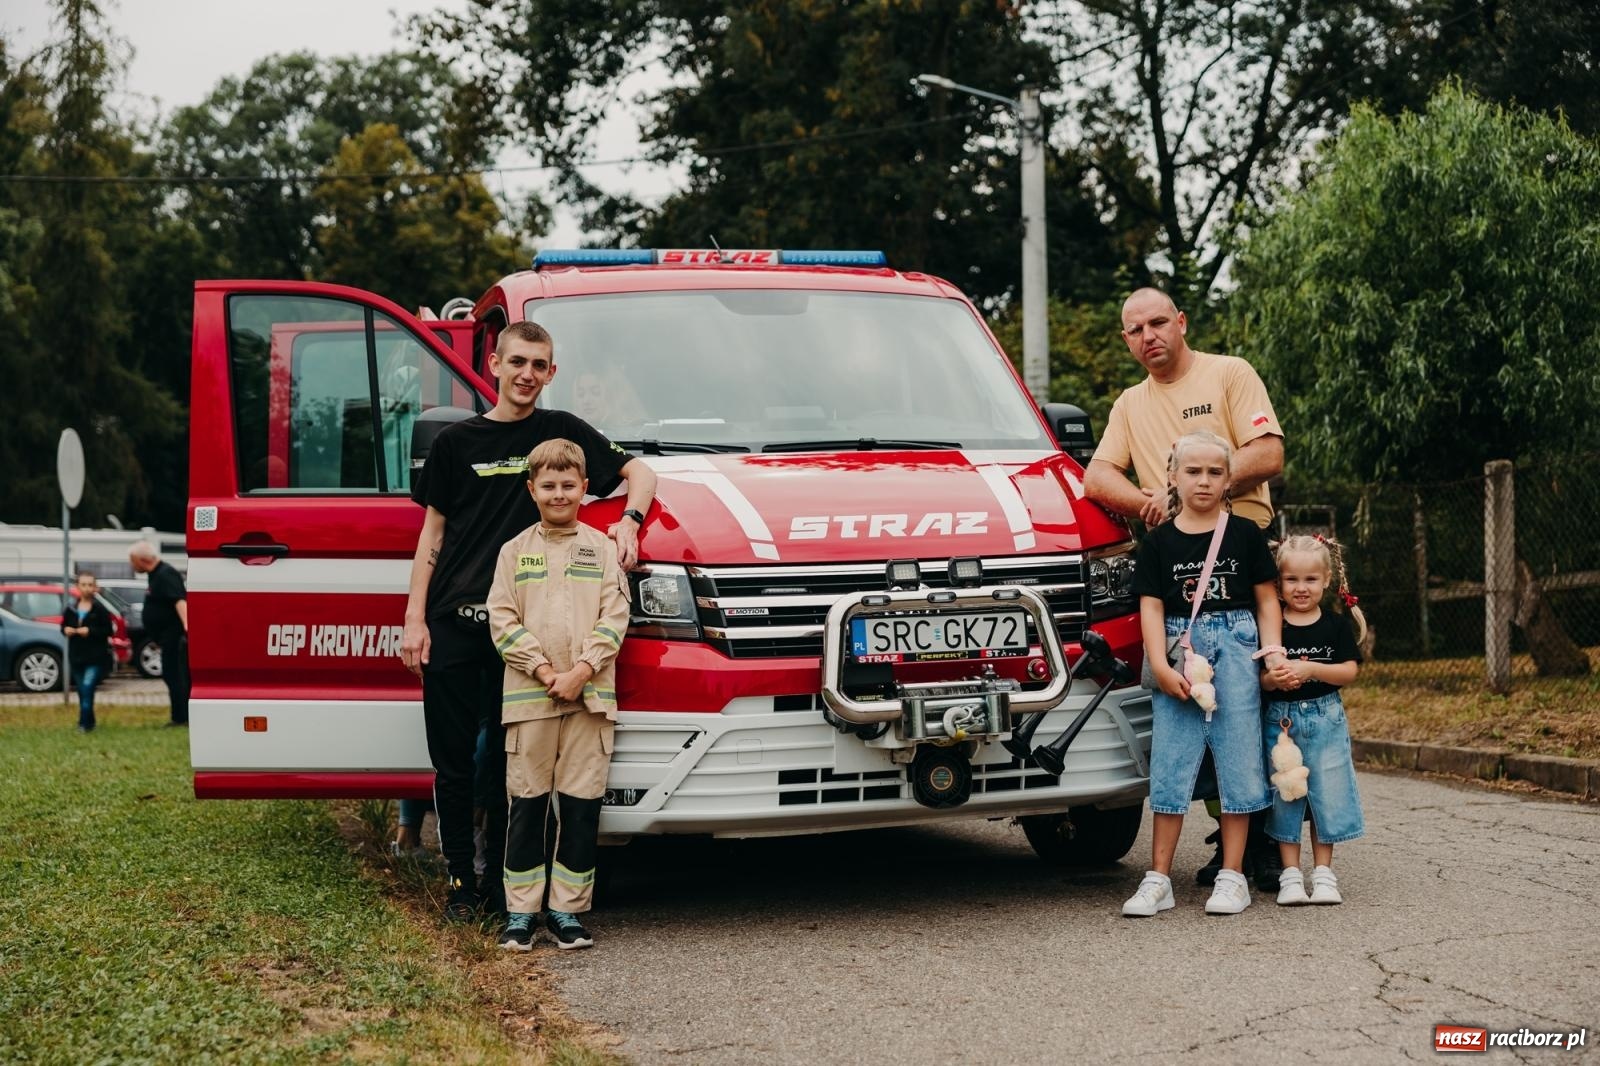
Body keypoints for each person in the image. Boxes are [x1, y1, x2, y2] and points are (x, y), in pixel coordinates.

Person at [399, 320, 656, 926]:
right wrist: (414, 619)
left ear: (551, 372)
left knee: (506, 767)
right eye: (517, 361)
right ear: (494, 364)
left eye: (539, 365)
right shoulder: (454, 443)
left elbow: (639, 473)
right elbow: (431, 535)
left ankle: (499, 886)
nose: (526, 374)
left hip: (522, 636)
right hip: (455, 621)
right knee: (453, 764)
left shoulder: (560, 433)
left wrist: (630, 521)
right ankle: (460, 884)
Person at [1085, 286, 1287, 890]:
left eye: (1158, 323)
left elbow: (1268, 452)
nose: (1148, 336)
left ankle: (1269, 842)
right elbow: (1098, 475)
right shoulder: (1130, 403)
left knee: (1255, 703)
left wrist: (1191, 488)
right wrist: (1150, 504)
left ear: (1181, 322)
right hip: (1175, 565)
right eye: (1135, 330)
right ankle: (1230, 836)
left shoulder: (1229, 373)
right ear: (1126, 340)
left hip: (1241, 550)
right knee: (1196, 704)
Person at [1121, 432, 1284, 917]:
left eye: (1215, 472)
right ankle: (1158, 879)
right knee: (1171, 762)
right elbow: (1151, 607)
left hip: (1237, 650)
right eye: (1193, 471)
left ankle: (1233, 877)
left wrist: (1271, 653)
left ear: (1229, 479)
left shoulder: (1245, 534)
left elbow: (1267, 600)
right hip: (1179, 650)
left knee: (1239, 760)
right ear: (1173, 476)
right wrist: (1158, 664)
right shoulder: (1157, 542)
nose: (1204, 481)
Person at [488, 438, 629, 951]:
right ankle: (521, 913)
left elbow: (616, 616)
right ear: (532, 489)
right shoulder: (513, 551)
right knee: (526, 806)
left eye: (569, 485)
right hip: (530, 702)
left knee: (580, 808)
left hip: (590, 701)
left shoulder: (603, 549)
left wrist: (583, 671)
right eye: (548, 485)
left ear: (584, 488)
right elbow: (502, 621)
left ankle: (567, 911)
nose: (559, 494)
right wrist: (545, 670)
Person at [1261, 535, 1367, 906]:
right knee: (1286, 794)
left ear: (1326, 580)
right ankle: (1291, 875)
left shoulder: (1335, 626)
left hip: (1326, 718)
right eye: (1291, 579)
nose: (1301, 588)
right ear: (1279, 582)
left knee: (1327, 793)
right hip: (1281, 725)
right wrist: (1273, 680)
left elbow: (1349, 672)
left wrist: (1311, 669)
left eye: (1310, 579)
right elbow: (1260, 679)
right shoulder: (1273, 625)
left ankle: (1323, 874)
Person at [129, 540, 189, 727]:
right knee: (171, 676)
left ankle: (182, 718)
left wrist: (187, 627)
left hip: (175, 638)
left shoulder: (166, 574)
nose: (131, 565)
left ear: (142, 559)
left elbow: (180, 601)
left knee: (176, 676)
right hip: (165, 638)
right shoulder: (155, 575)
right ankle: (179, 716)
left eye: (132, 560)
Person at [61, 571, 114, 733]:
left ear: (95, 588)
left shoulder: (100, 609)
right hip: (77, 656)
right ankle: (90, 722)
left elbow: (108, 630)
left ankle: (83, 725)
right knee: (82, 691)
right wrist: (67, 630)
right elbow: (63, 627)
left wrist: (90, 631)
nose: (86, 588)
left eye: (90, 585)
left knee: (87, 687)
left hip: (95, 657)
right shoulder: (71, 608)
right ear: (77, 587)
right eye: (83, 585)